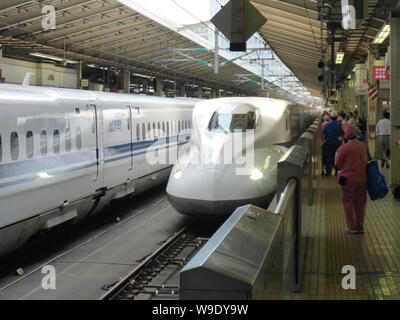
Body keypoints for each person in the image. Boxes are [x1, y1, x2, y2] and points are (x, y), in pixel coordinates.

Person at [335, 124, 368, 234]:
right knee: (360, 203)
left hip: (348, 180)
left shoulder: (343, 148)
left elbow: (338, 164)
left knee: (348, 203)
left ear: (346, 135)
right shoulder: (363, 145)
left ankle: (351, 227)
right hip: (362, 178)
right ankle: (360, 226)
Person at [322, 110, 343, 176]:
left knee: (328, 157)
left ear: (330, 117)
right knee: (337, 157)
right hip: (337, 143)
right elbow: (343, 134)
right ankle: (337, 172)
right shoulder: (340, 125)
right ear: (337, 117)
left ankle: (328, 172)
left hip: (328, 143)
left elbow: (323, 133)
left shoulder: (327, 125)